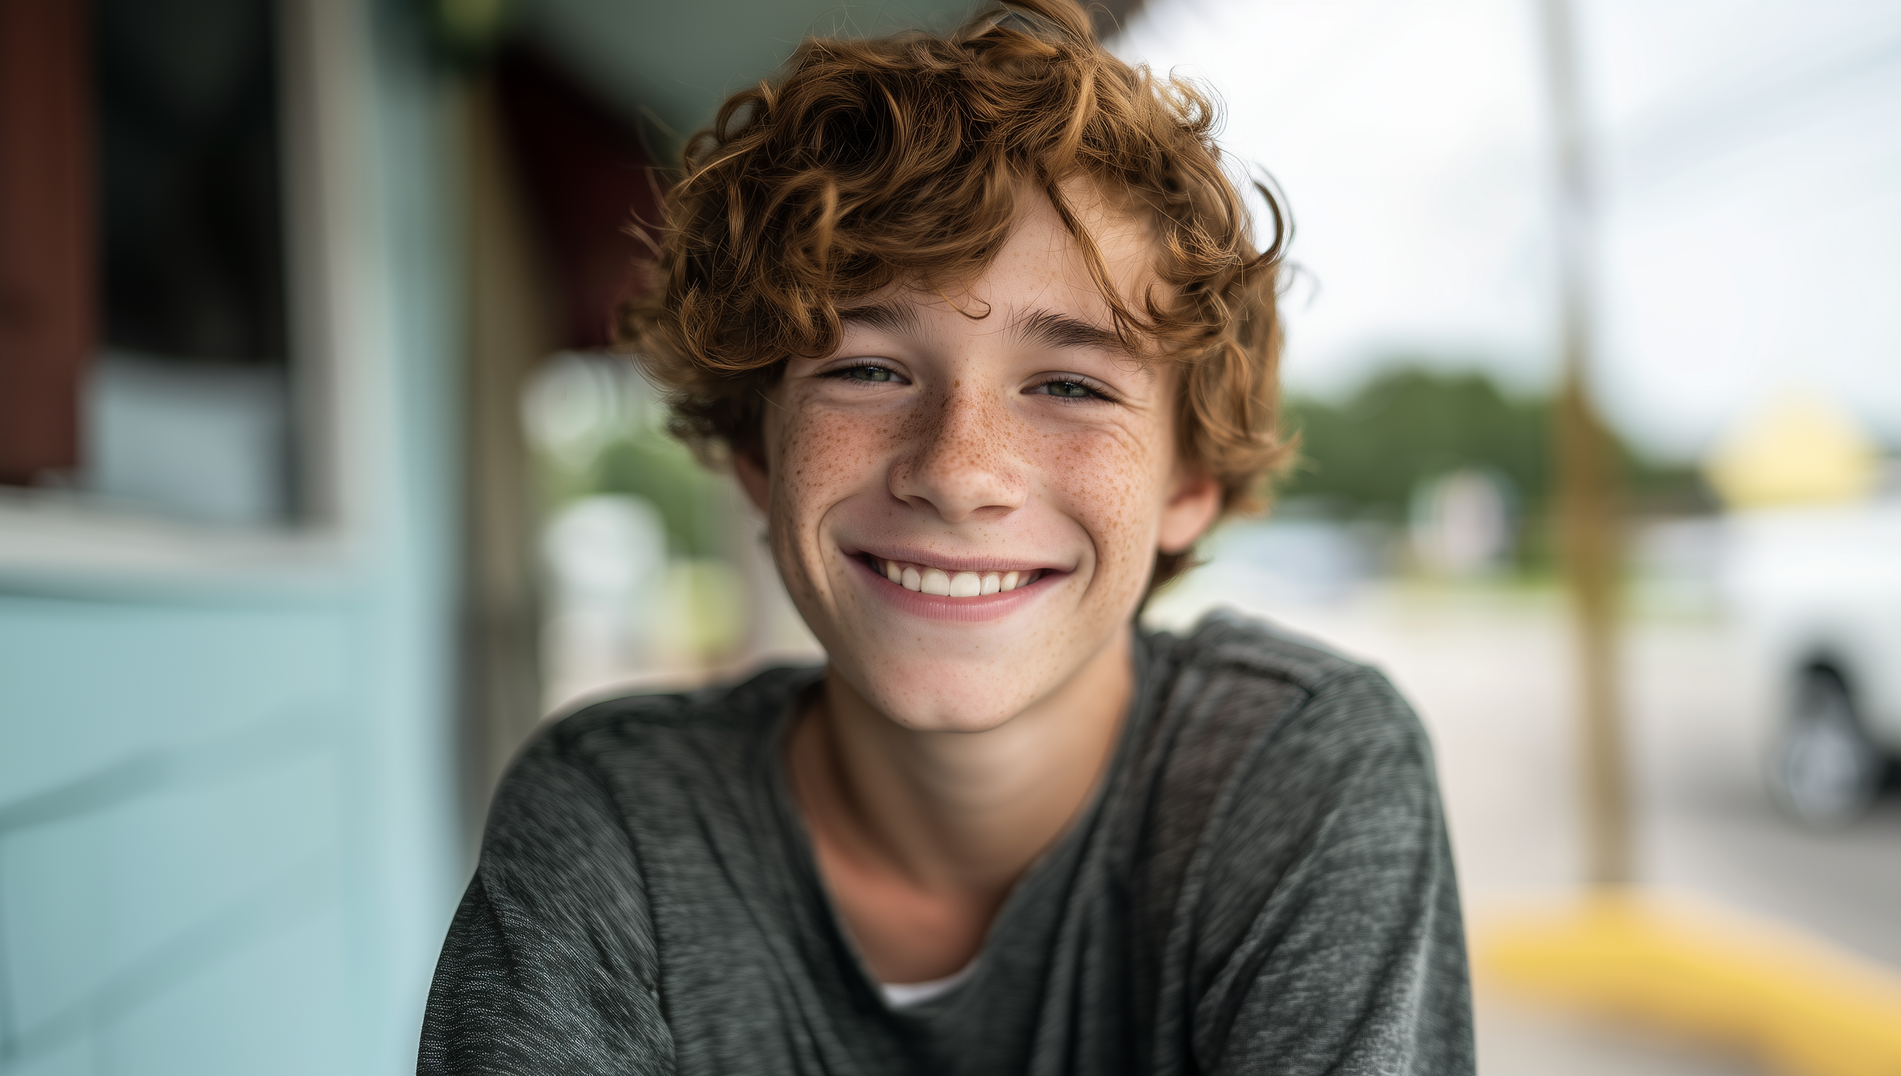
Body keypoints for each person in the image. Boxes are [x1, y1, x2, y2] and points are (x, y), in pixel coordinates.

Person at [418, 3, 1472, 1072]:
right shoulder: (614, 820)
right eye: (867, 369)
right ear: (757, 451)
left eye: (1069, 384)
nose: (960, 470)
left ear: (1188, 482)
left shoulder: (1295, 773)